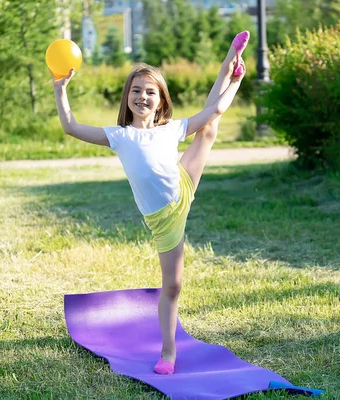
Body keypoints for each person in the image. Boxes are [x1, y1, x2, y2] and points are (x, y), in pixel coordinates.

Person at [52, 31, 250, 375]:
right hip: (165, 220)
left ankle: (229, 57)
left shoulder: (170, 129)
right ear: (127, 97)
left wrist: (234, 78)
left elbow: (216, 108)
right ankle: (168, 351)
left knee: (209, 127)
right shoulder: (118, 136)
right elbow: (70, 126)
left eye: (150, 92)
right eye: (136, 90)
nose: (143, 96)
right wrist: (60, 89)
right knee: (172, 285)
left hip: (182, 184)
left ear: (161, 101)